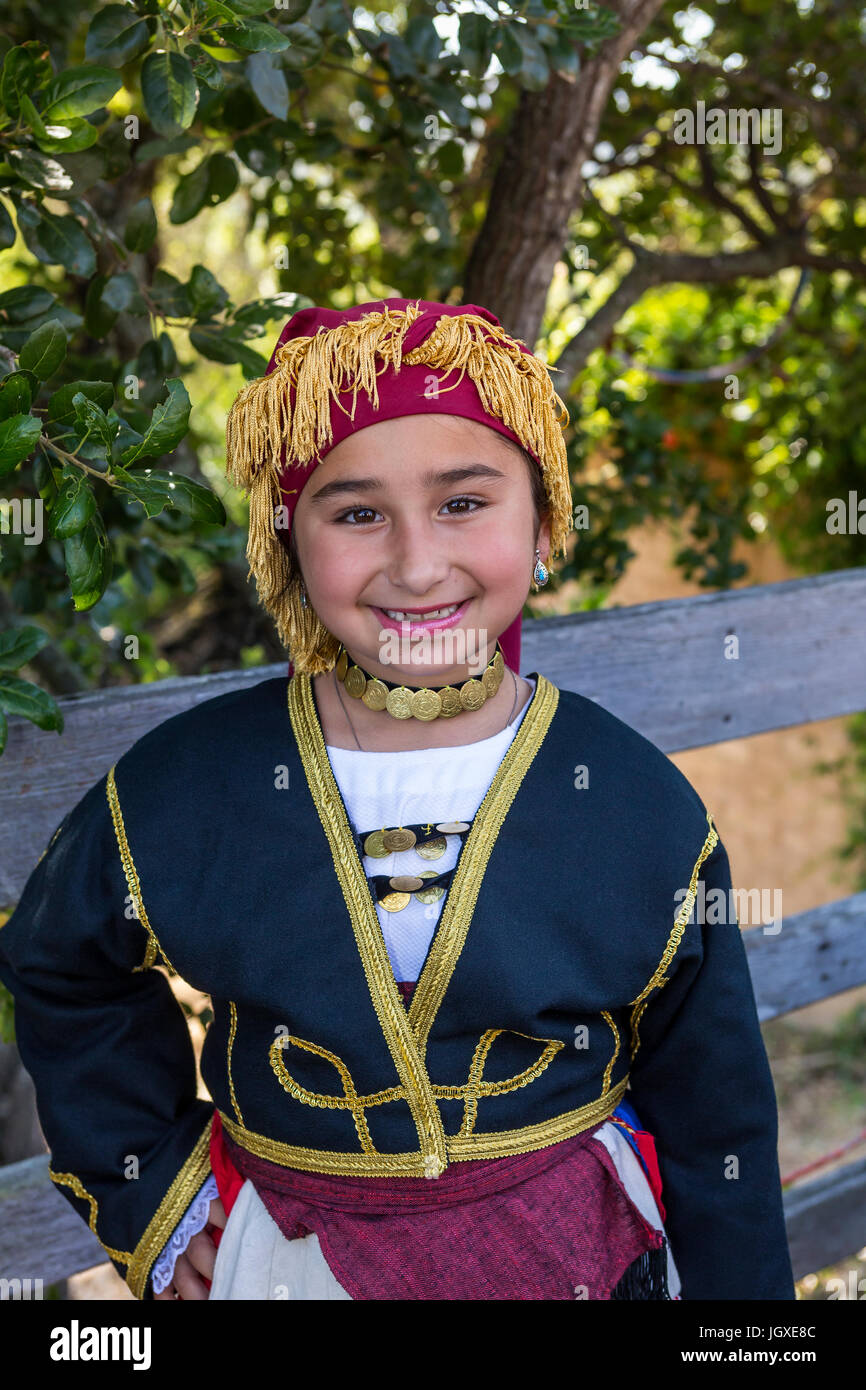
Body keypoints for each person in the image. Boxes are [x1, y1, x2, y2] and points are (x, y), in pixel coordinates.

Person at [0, 298, 795, 1301]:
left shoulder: (640, 806)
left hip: (580, 1262)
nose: (417, 566)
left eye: (463, 502)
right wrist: (153, 1192)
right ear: (289, 541)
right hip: (281, 1268)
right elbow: (61, 965)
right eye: (357, 513)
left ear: (545, 519)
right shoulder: (187, 786)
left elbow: (713, 1106)